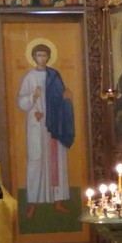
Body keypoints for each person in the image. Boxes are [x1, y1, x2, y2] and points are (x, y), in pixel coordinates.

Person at [16, 42, 75, 219]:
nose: (41, 58)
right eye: (38, 55)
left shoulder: (54, 75)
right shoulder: (29, 77)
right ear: (34, 57)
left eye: (44, 55)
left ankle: (58, 201)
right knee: (37, 161)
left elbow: (61, 97)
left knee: (56, 161)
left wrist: (66, 97)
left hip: (53, 125)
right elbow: (21, 101)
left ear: (49, 57)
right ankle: (33, 203)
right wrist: (32, 97)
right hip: (36, 125)